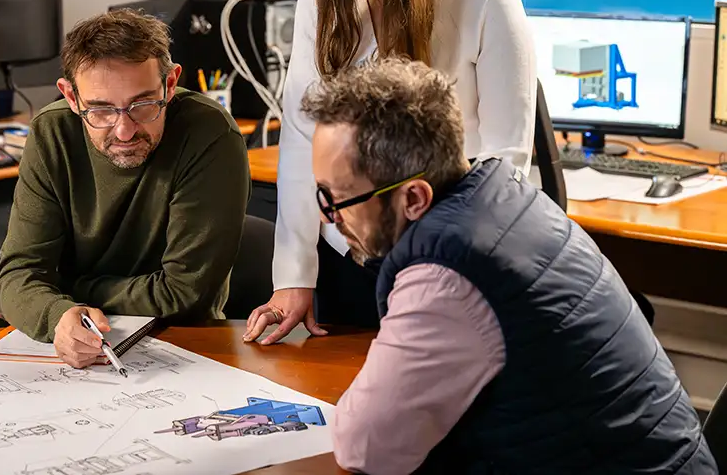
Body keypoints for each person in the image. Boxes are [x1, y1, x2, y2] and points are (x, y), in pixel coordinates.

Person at [302, 56, 716, 475]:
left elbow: (366, 448)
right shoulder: (510, 199)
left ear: (413, 198)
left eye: (336, 199)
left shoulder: (449, 275)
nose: (326, 216)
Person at [244, 0, 537, 343]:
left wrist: (460, 276)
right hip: (347, 251)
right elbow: (301, 136)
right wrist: (293, 274)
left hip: (445, 259)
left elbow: (505, 165)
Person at [0, 8, 251, 369]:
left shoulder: (209, 134)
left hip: (185, 345)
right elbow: (18, 274)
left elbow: (185, 294)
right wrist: (56, 314)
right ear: (70, 97)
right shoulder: (52, 133)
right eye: (100, 110)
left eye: (143, 105)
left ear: (170, 84)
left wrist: (57, 293)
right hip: (79, 347)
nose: (124, 130)